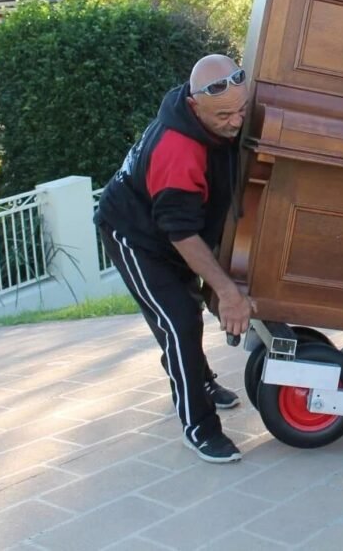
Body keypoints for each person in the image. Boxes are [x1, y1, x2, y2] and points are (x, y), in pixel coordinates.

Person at [95, 54, 256, 462]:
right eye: (224, 116)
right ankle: (199, 427)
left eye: (241, 109)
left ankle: (199, 381)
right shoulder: (178, 150)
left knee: (185, 306)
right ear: (194, 103)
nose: (236, 122)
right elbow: (180, 232)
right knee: (179, 321)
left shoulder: (215, 118)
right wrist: (227, 291)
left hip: (171, 227)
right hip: (134, 235)